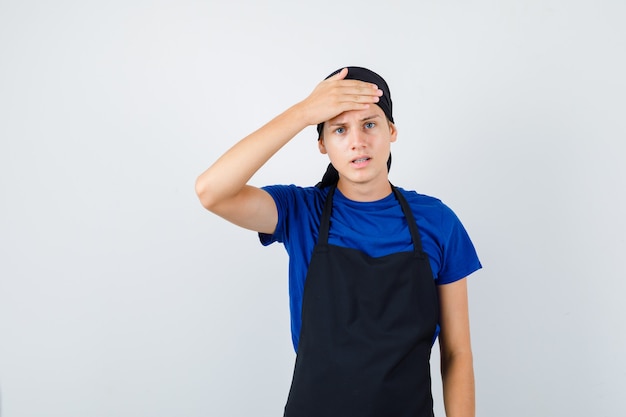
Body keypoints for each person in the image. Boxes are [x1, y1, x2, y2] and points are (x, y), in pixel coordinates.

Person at [195, 66, 482, 417]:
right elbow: (211, 192)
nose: (357, 141)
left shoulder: (438, 222)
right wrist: (302, 112)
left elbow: (456, 353)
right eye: (339, 129)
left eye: (370, 124)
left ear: (391, 131)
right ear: (322, 143)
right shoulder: (300, 212)